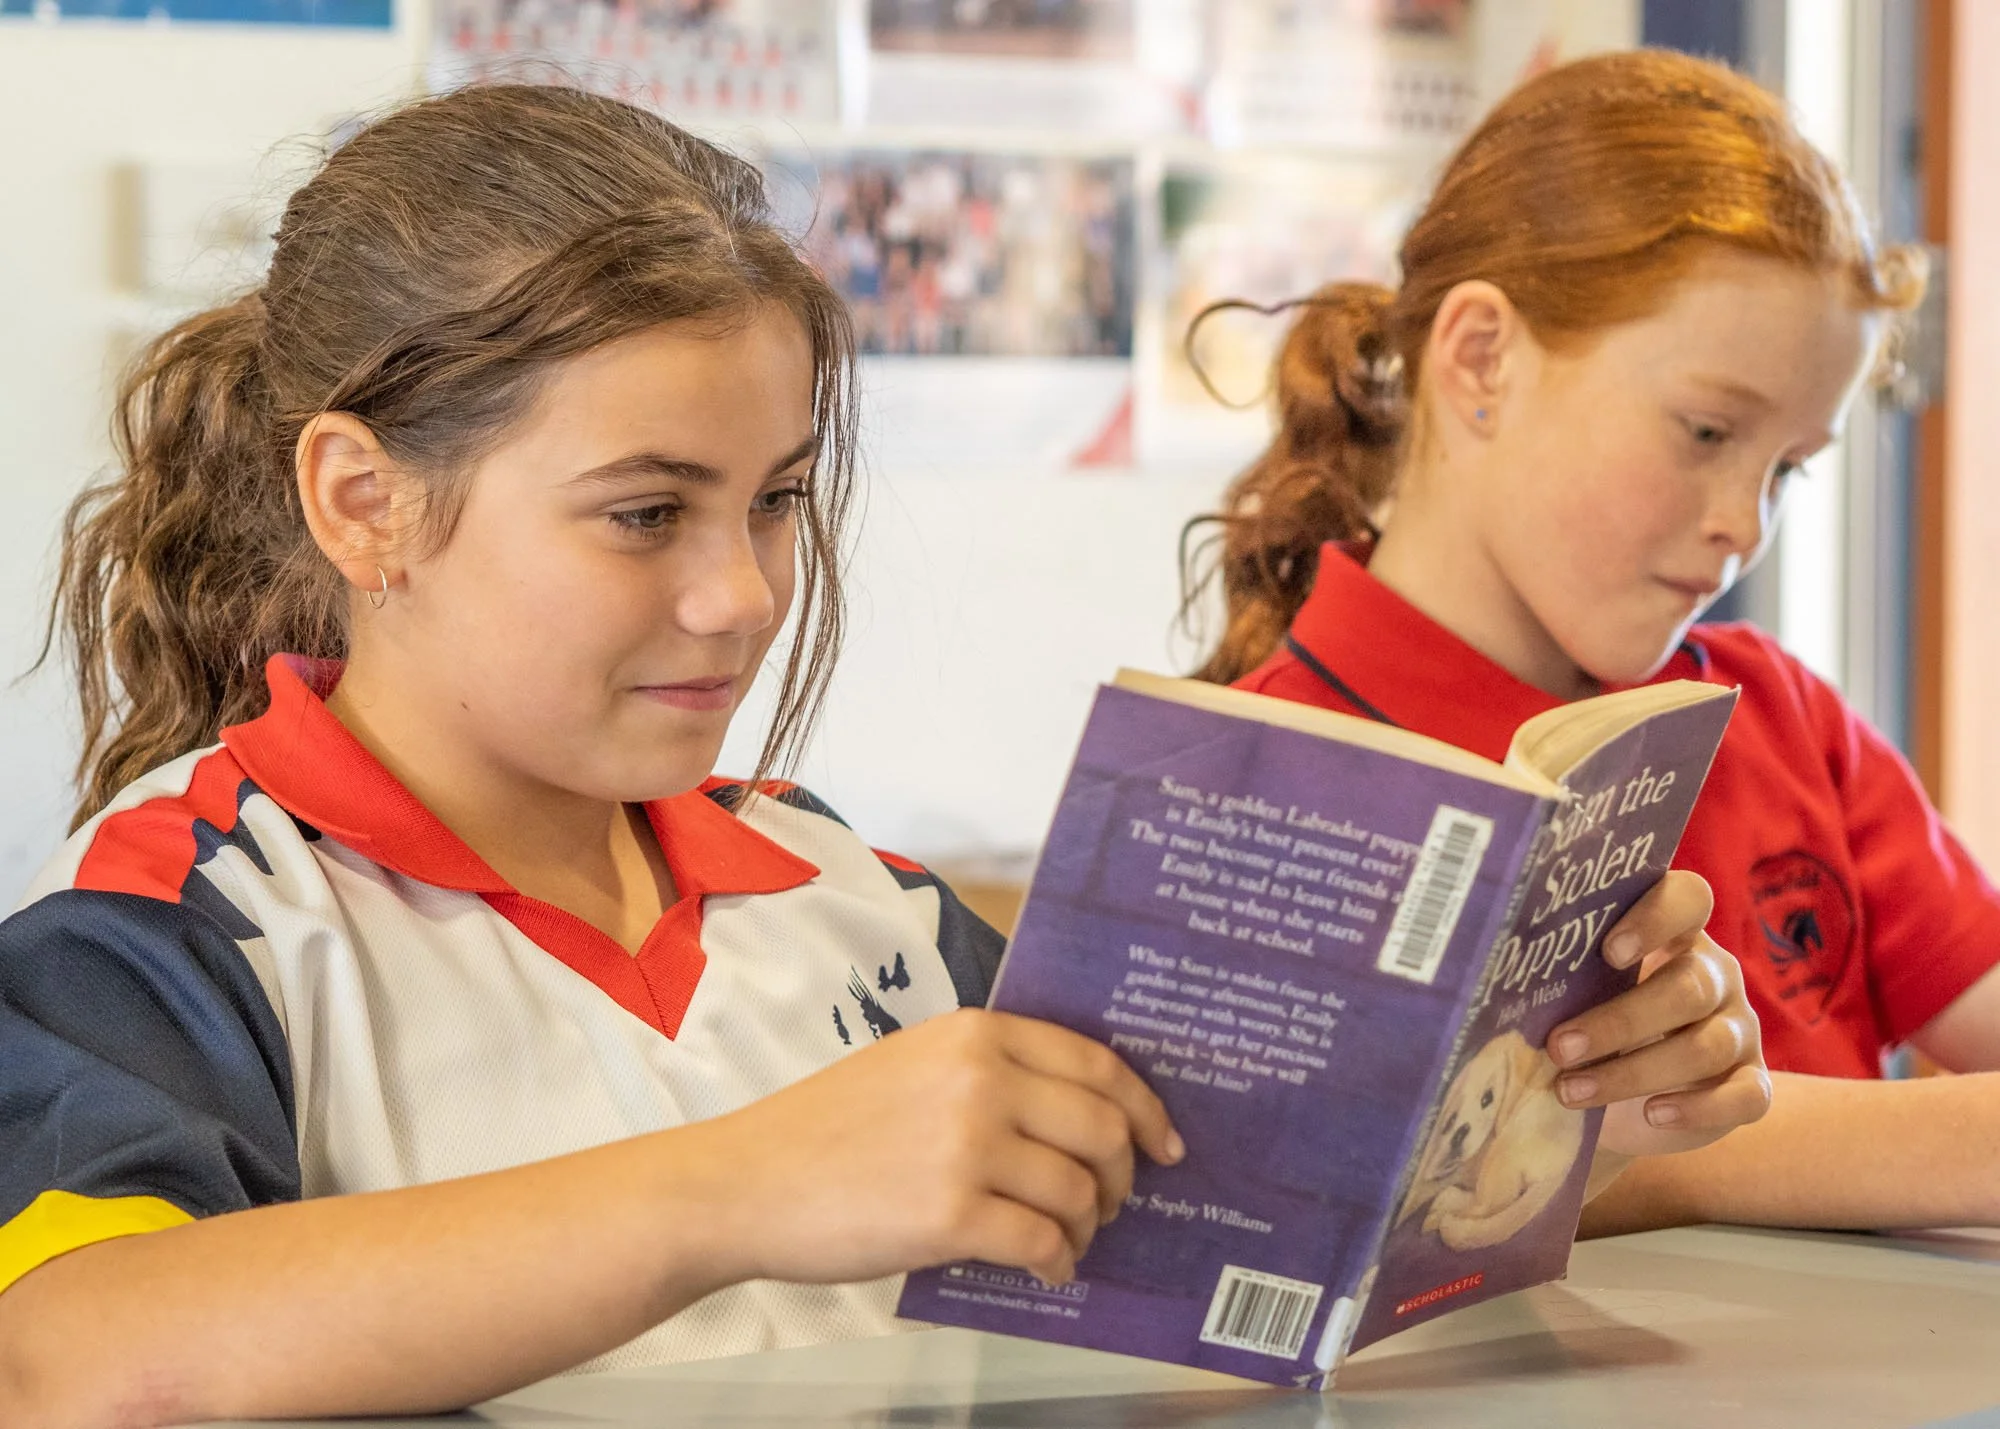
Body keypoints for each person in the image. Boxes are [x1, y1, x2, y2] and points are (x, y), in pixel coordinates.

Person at [0, 84, 1762, 1427]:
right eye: (642, 513)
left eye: (773, 501)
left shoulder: (860, 901)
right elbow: (77, 1351)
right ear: (364, 504)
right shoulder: (182, 913)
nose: (741, 591)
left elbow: (1221, 1230)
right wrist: (742, 1184)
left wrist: (1560, 1103)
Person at [1182, 48, 1999, 1238]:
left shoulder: (1785, 717)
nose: (1741, 523)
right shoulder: (1257, 789)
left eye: (1784, 469)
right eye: (1705, 429)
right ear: (1479, 360)